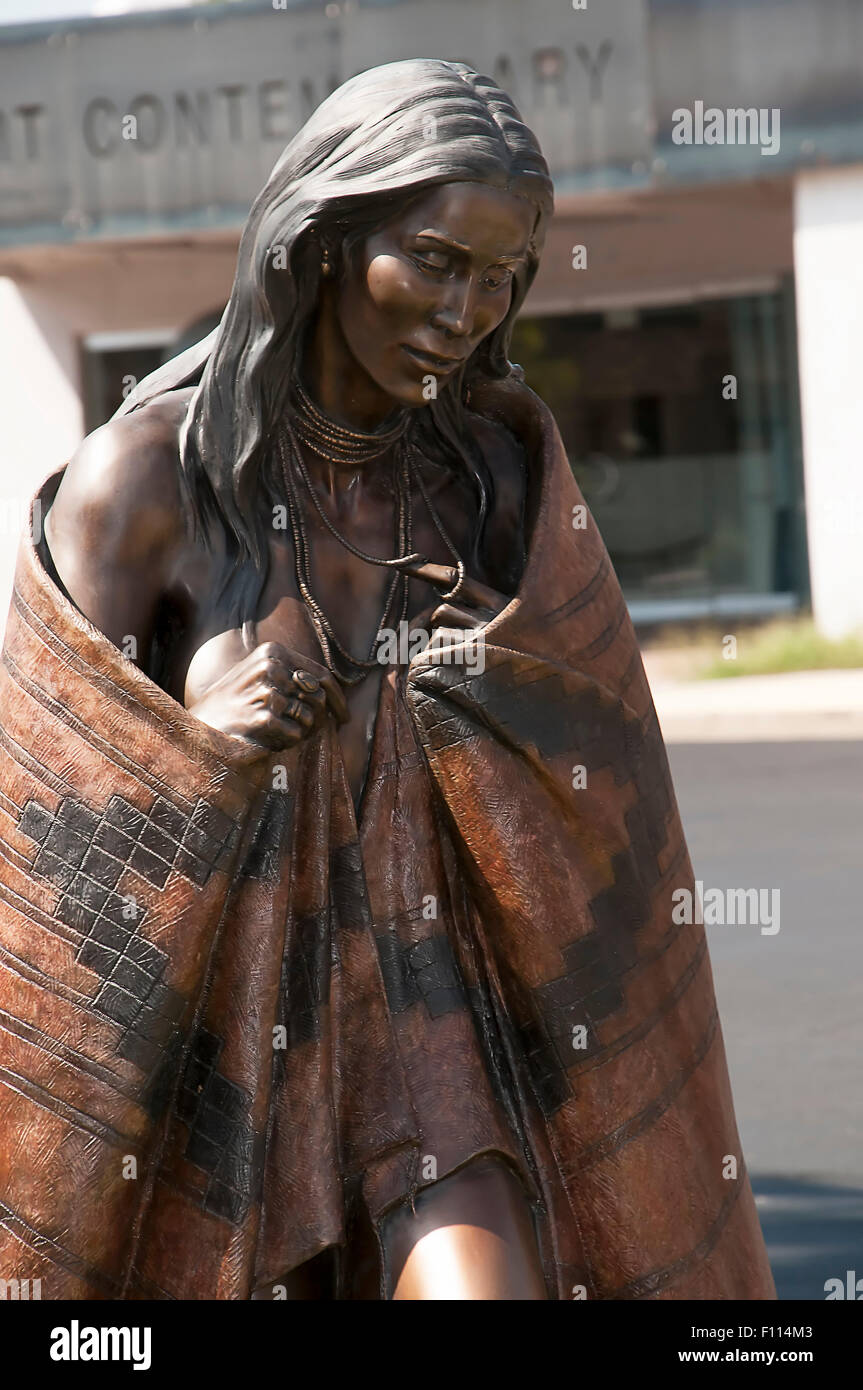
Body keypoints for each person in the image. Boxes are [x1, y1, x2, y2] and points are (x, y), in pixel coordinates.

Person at [0, 59, 775, 1301]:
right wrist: (196, 749)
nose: (463, 307)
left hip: (437, 1023)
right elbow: (48, 843)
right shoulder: (144, 484)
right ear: (320, 235)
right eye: (429, 257)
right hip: (228, 1060)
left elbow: (606, 780)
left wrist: (499, 703)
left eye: (497, 273)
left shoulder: (493, 481)